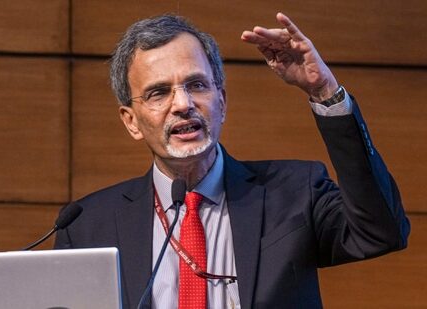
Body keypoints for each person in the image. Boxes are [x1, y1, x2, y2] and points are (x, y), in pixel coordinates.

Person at [54, 13, 410, 308]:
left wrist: (325, 92)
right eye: (159, 92)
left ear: (221, 101)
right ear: (131, 121)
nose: (183, 104)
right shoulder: (87, 228)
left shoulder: (296, 192)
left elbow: (381, 233)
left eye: (196, 85)